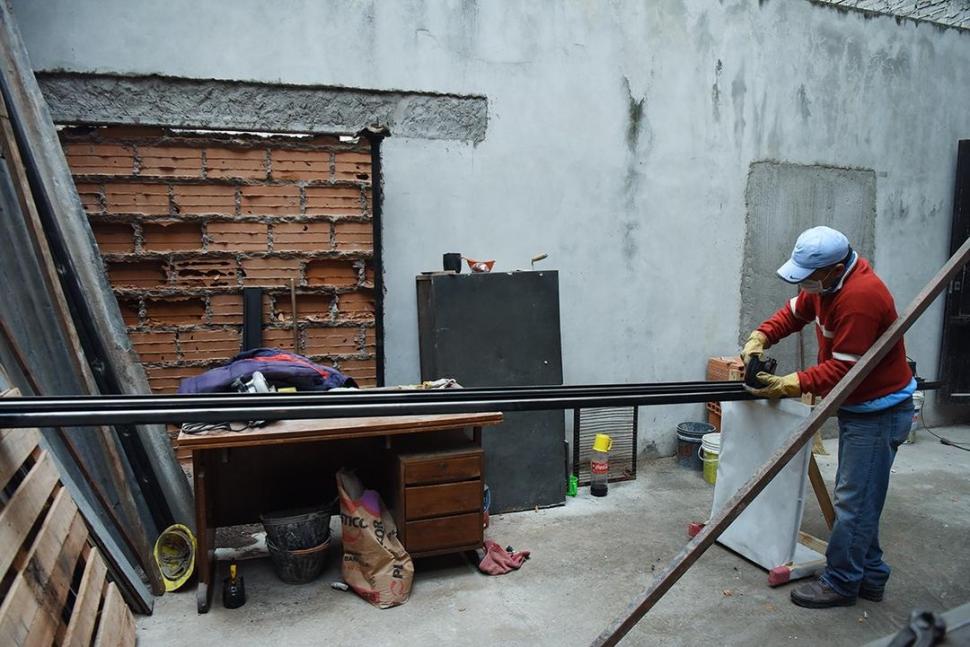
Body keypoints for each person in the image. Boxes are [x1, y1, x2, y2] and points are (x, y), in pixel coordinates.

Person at [741, 225, 915, 609]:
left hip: (878, 412)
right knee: (861, 499)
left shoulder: (860, 298)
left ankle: (841, 582)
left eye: (810, 277)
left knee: (854, 501)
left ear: (835, 269)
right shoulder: (828, 285)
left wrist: (789, 383)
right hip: (861, 406)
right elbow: (794, 312)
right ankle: (870, 576)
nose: (806, 284)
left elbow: (844, 371)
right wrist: (761, 336)